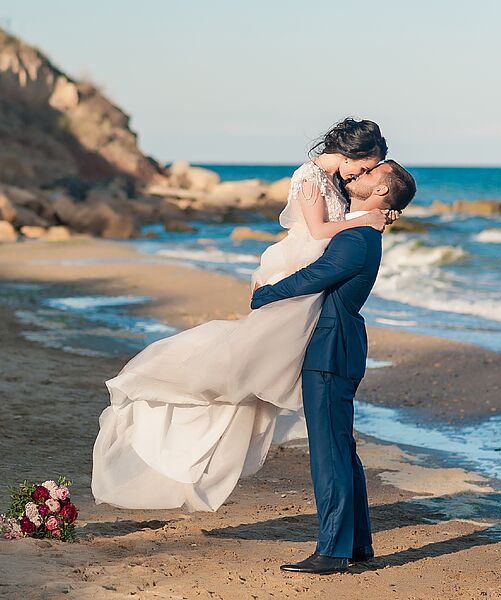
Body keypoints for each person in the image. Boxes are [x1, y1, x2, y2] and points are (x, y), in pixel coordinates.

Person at [91, 119, 397, 514]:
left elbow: (347, 224)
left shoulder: (337, 181)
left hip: (317, 278)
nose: (363, 174)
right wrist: (363, 219)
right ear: (352, 152)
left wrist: (374, 214)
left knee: (266, 372)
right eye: (366, 165)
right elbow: (321, 230)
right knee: (245, 365)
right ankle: (173, 396)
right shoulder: (308, 176)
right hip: (300, 264)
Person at [252, 160, 417, 574]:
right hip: (340, 346)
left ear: (381, 192)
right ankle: (357, 543)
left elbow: (317, 275)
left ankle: (332, 550)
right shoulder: (363, 226)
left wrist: (265, 294)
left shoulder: (358, 237)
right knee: (341, 448)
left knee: (328, 453)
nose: (358, 177)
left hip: (331, 349)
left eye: (369, 174)